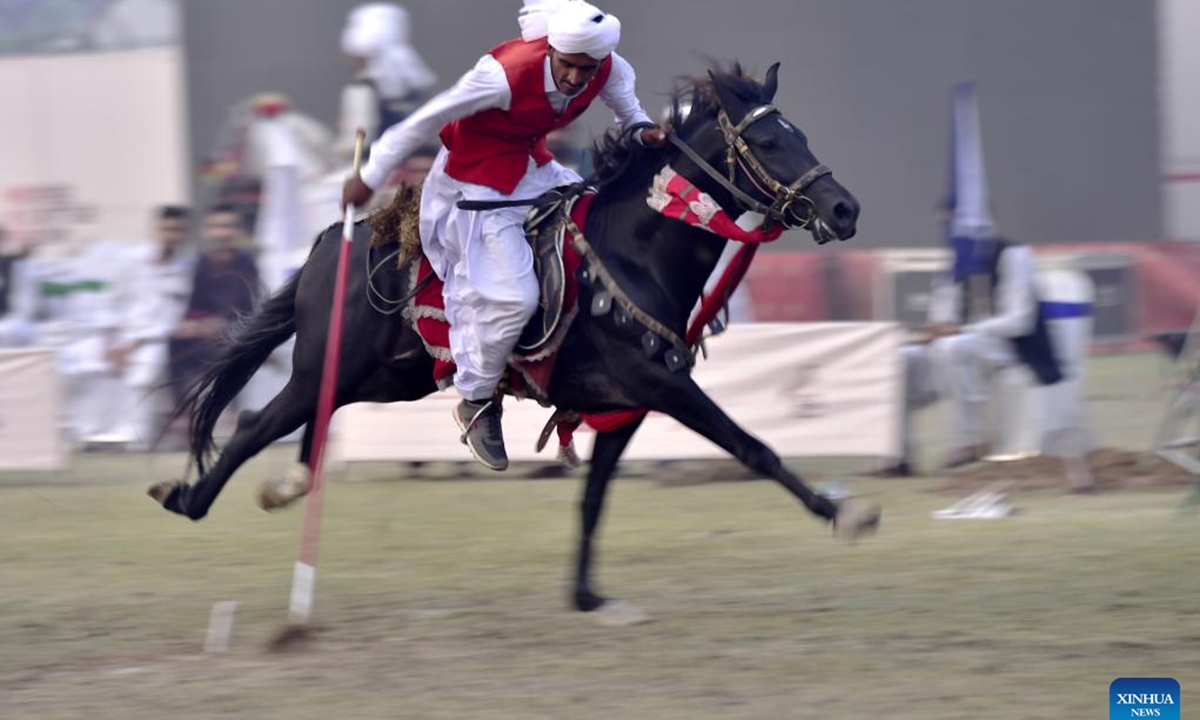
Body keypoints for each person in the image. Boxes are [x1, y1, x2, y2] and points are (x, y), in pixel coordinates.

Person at [341, 0, 667, 471]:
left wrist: (646, 135)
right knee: (514, 298)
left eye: (587, 69)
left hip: (534, 170)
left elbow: (630, 116)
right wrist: (369, 177)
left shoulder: (610, 68)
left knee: (603, 235)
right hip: (470, 183)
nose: (577, 78)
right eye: (568, 66)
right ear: (551, 49)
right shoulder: (501, 74)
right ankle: (475, 401)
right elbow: (423, 121)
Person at [877, 226, 1063, 476]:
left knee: (953, 347)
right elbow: (943, 316)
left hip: (1007, 347)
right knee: (899, 360)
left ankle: (970, 441)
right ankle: (897, 457)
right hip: (959, 347)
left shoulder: (1012, 255)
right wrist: (933, 330)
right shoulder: (955, 263)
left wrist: (963, 330)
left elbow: (1020, 321)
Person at [107, 206, 195, 449]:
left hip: (165, 340)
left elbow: (179, 314)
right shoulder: (131, 261)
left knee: (151, 366)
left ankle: (141, 440)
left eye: (178, 230)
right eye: (167, 229)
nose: (172, 235)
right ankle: (133, 439)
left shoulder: (185, 267)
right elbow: (112, 304)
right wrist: (112, 344)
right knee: (144, 370)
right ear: (155, 230)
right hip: (128, 339)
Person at [168, 205, 260, 410]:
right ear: (207, 230)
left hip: (235, 333)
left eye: (229, 226)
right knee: (173, 342)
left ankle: (229, 410)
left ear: (237, 231)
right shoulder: (200, 264)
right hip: (201, 334)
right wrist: (196, 323)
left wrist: (224, 325)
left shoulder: (247, 264)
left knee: (232, 347)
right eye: (217, 226)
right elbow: (192, 305)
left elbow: (252, 308)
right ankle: (181, 412)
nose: (223, 233)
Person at [335, 2, 438, 167]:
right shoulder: (414, 82)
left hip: (376, 164)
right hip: (421, 159)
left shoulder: (362, 87)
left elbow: (356, 140)